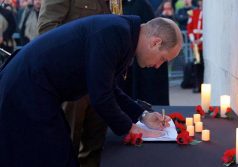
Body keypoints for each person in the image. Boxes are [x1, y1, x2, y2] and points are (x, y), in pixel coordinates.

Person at [0, 14, 182, 166]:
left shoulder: (123, 33)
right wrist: (132, 129)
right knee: (49, 158)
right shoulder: (116, 33)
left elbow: (108, 88)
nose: (159, 66)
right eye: (163, 59)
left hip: (35, 88)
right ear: (155, 42)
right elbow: (100, 97)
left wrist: (143, 115)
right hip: (26, 89)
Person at [37, 1, 111, 166]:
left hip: (102, 81)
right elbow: (46, 31)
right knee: (66, 147)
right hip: (73, 82)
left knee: (95, 150)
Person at [186, 0, 204, 93]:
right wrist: (194, 41)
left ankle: (203, 86)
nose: (201, 3)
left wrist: (201, 40)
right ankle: (198, 85)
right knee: (197, 66)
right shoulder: (193, 12)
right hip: (196, 46)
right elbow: (189, 28)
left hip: (204, 45)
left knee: (203, 66)